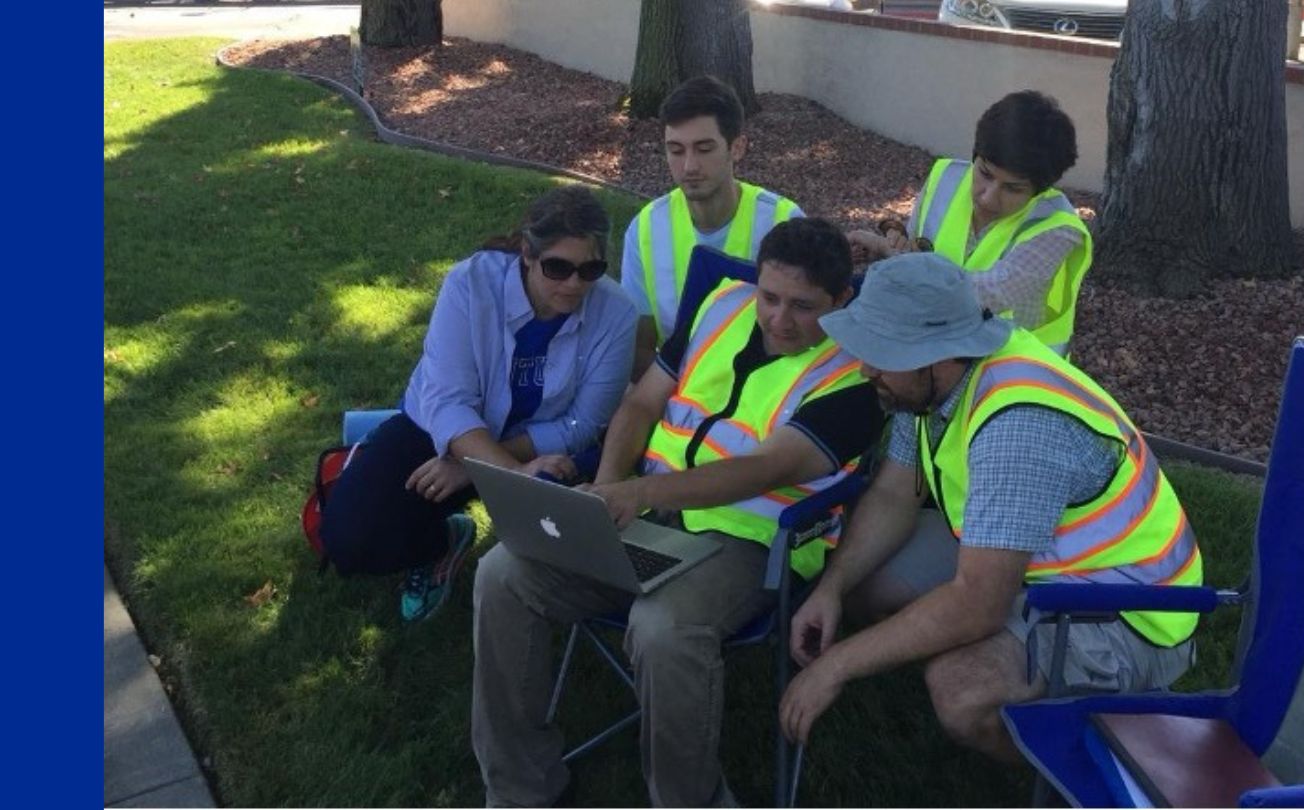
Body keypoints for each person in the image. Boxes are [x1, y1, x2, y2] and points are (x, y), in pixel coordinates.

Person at [471, 218, 884, 807]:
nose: (778, 318)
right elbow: (640, 404)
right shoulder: (721, 306)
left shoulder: (859, 372)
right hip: (647, 514)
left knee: (663, 629)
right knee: (503, 574)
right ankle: (519, 789)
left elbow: (765, 470)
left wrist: (637, 496)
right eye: (769, 296)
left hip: (751, 541)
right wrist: (607, 488)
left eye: (804, 306)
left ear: (842, 301)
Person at [778, 253, 1202, 765]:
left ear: (938, 354)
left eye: (882, 353)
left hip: (1130, 610)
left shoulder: (1015, 427)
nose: (866, 368)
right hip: (1038, 558)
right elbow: (894, 494)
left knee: (962, 692)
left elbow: (978, 603)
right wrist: (832, 588)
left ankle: (1085, 775)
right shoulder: (930, 385)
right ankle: (988, 666)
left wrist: (836, 666)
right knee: (864, 587)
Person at [320, 186, 638, 622]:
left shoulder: (617, 313)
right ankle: (443, 542)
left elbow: (584, 423)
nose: (574, 284)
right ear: (527, 253)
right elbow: (448, 402)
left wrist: (475, 466)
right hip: (448, 430)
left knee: (570, 550)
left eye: (590, 270)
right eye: (558, 267)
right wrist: (504, 471)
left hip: (540, 446)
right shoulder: (469, 283)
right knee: (347, 539)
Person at [849, 90, 1091, 355]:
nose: (988, 198)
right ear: (975, 156)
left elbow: (986, 294)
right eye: (985, 173)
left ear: (1040, 190)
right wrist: (890, 248)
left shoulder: (1058, 228)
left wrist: (891, 258)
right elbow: (916, 255)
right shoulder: (946, 178)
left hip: (1011, 371)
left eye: (1012, 189)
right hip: (931, 352)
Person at [622, 75, 804, 378]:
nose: (689, 166)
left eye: (704, 149)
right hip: (676, 393)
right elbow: (640, 345)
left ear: (737, 147)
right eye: (676, 150)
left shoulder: (784, 222)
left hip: (762, 396)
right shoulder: (645, 229)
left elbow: (807, 340)